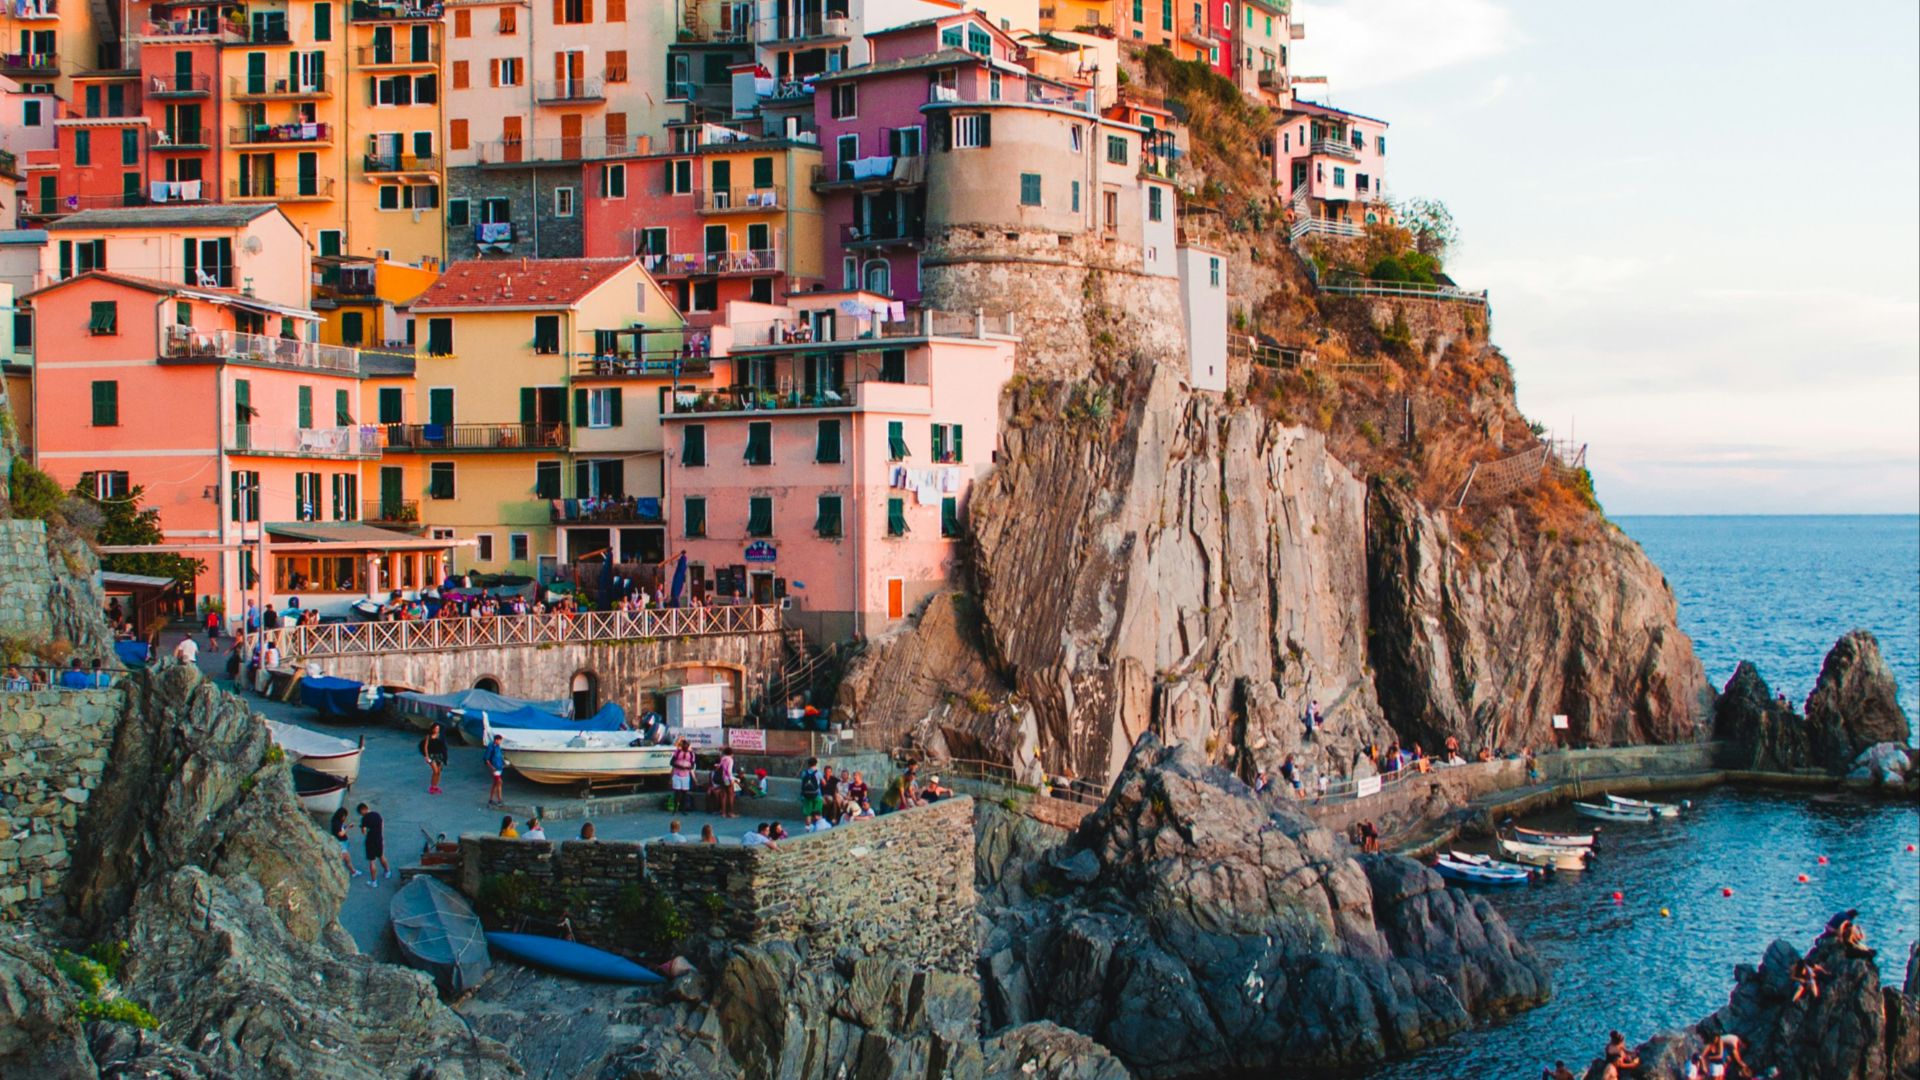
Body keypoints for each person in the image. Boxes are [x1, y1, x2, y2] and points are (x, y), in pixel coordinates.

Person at [357, 803, 389, 886]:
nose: (361, 814)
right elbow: (382, 825)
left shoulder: (365, 819)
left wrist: (363, 828)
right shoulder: (377, 814)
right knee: (381, 856)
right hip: (379, 838)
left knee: (372, 861)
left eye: (360, 813)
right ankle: (387, 871)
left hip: (370, 841)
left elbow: (364, 832)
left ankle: (374, 882)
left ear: (363, 810)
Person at [329, 806, 360, 878]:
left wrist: (347, 826)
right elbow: (340, 833)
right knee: (346, 858)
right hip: (341, 843)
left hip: (343, 843)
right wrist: (348, 828)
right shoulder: (336, 824)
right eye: (344, 816)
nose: (345, 818)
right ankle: (353, 872)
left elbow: (341, 829)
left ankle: (353, 871)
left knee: (345, 859)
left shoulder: (337, 822)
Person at [668, 738, 696, 812]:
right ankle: (675, 808)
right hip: (677, 774)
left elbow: (692, 766)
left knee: (684, 793)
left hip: (686, 775)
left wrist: (686, 768)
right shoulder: (677, 752)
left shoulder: (691, 754)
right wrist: (680, 767)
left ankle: (683, 808)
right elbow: (671, 762)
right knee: (677, 792)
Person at [421, 722, 449, 795]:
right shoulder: (429, 736)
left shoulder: (440, 736)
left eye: (438, 728)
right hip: (431, 756)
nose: (437, 730)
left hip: (439, 755)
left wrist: (445, 757)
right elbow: (425, 747)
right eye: (436, 728)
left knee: (439, 772)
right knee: (435, 771)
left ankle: (435, 786)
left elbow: (444, 747)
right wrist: (426, 756)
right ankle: (432, 787)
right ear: (433, 729)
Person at [711, 746, 737, 818]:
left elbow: (719, 767)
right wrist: (731, 779)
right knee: (731, 795)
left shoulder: (723, 759)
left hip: (722, 778)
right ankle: (731, 812)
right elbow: (729, 771)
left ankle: (723, 812)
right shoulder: (730, 760)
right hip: (727, 779)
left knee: (723, 796)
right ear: (731, 753)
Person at [485, 733, 507, 807]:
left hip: (499, 768)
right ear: (496, 740)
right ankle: (499, 800)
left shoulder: (498, 747)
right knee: (500, 782)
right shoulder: (491, 747)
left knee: (495, 784)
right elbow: (487, 759)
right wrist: (491, 767)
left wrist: (504, 763)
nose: (500, 742)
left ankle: (490, 800)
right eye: (500, 740)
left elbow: (500, 756)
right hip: (495, 769)